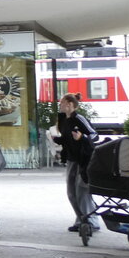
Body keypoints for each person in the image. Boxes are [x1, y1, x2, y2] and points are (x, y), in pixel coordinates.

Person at [52, 93, 100, 234]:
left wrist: (82, 137)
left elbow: (94, 135)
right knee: (71, 192)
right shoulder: (63, 120)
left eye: (62, 102)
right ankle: (81, 220)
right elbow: (68, 139)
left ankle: (90, 221)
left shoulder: (79, 118)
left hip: (83, 159)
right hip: (71, 159)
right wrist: (58, 140)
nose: (60, 105)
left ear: (70, 104)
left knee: (82, 191)